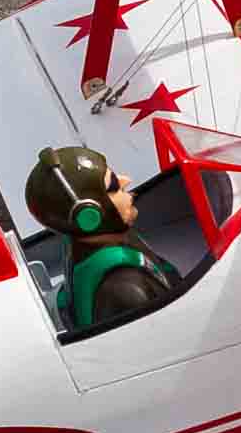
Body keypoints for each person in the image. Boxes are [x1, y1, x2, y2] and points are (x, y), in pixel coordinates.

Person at [23, 142, 181, 337]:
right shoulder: (126, 292)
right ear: (90, 216)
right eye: (114, 187)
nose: (126, 181)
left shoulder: (80, 240)